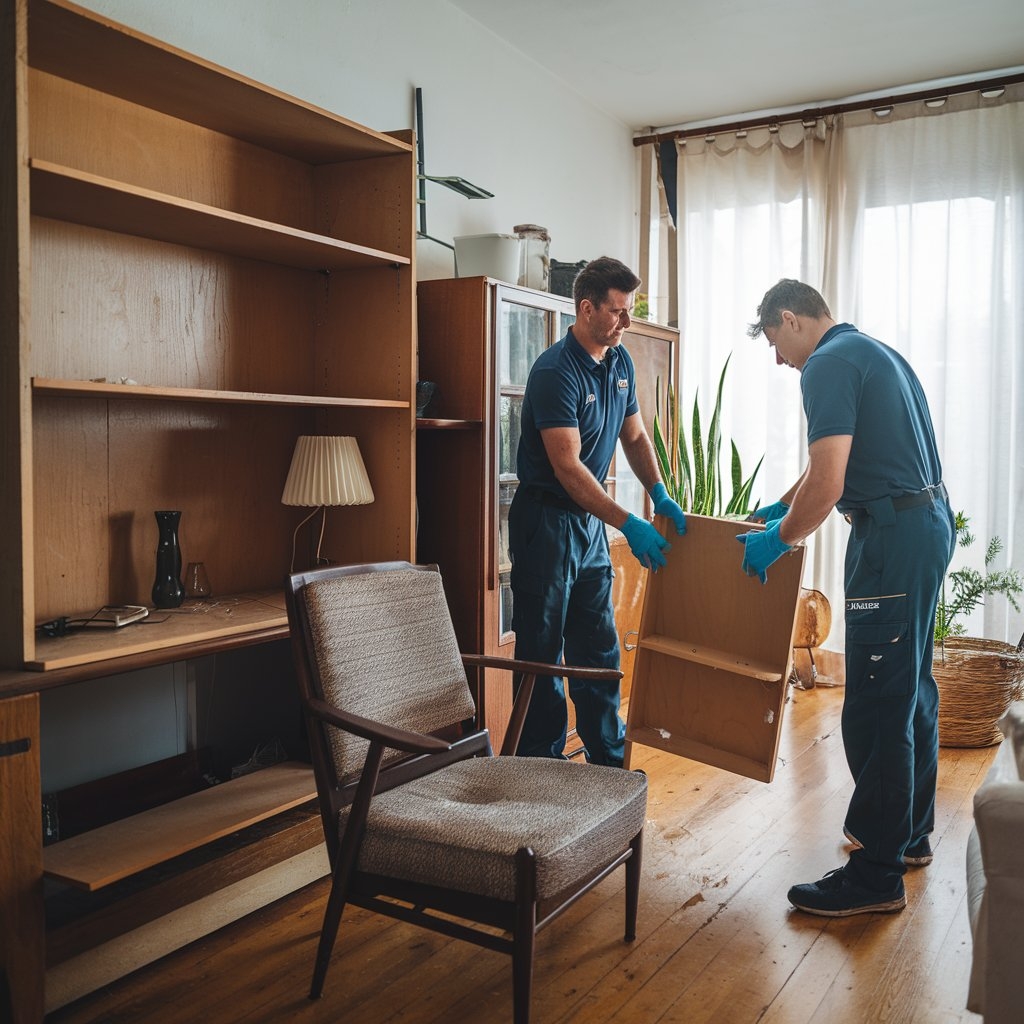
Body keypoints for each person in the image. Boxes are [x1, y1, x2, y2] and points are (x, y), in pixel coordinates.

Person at [738, 278, 956, 917]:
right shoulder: (872, 352)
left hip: (889, 538)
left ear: (789, 319)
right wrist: (781, 504)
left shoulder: (825, 365)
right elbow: (832, 462)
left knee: (877, 702)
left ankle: (876, 876)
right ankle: (908, 836)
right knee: (911, 686)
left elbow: (830, 482)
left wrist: (779, 538)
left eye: (776, 344)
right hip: (922, 524)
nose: (780, 360)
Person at [508, 256, 687, 767]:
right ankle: (540, 771)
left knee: (599, 648)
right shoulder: (554, 372)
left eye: (629, 310)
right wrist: (627, 521)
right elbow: (567, 467)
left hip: (587, 525)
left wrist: (659, 493)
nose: (627, 322)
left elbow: (634, 436)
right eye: (618, 311)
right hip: (545, 522)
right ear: (586, 309)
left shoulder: (619, 361)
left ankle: (608, 764)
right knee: (542, 657)